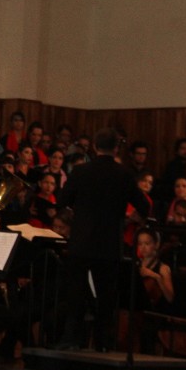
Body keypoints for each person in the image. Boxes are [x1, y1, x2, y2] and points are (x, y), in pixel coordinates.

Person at [56, 128, 150, 351]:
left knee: (76, 292)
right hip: (109, 243)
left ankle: (71, 340)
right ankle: (103, 343)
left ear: (95, 147)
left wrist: (76, 216)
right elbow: (144, 206)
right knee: (106, 295)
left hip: (82, 240)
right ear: (116, 148)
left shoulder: (80, 171)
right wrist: (129, 216)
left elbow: (61, 201)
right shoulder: (124, 174)